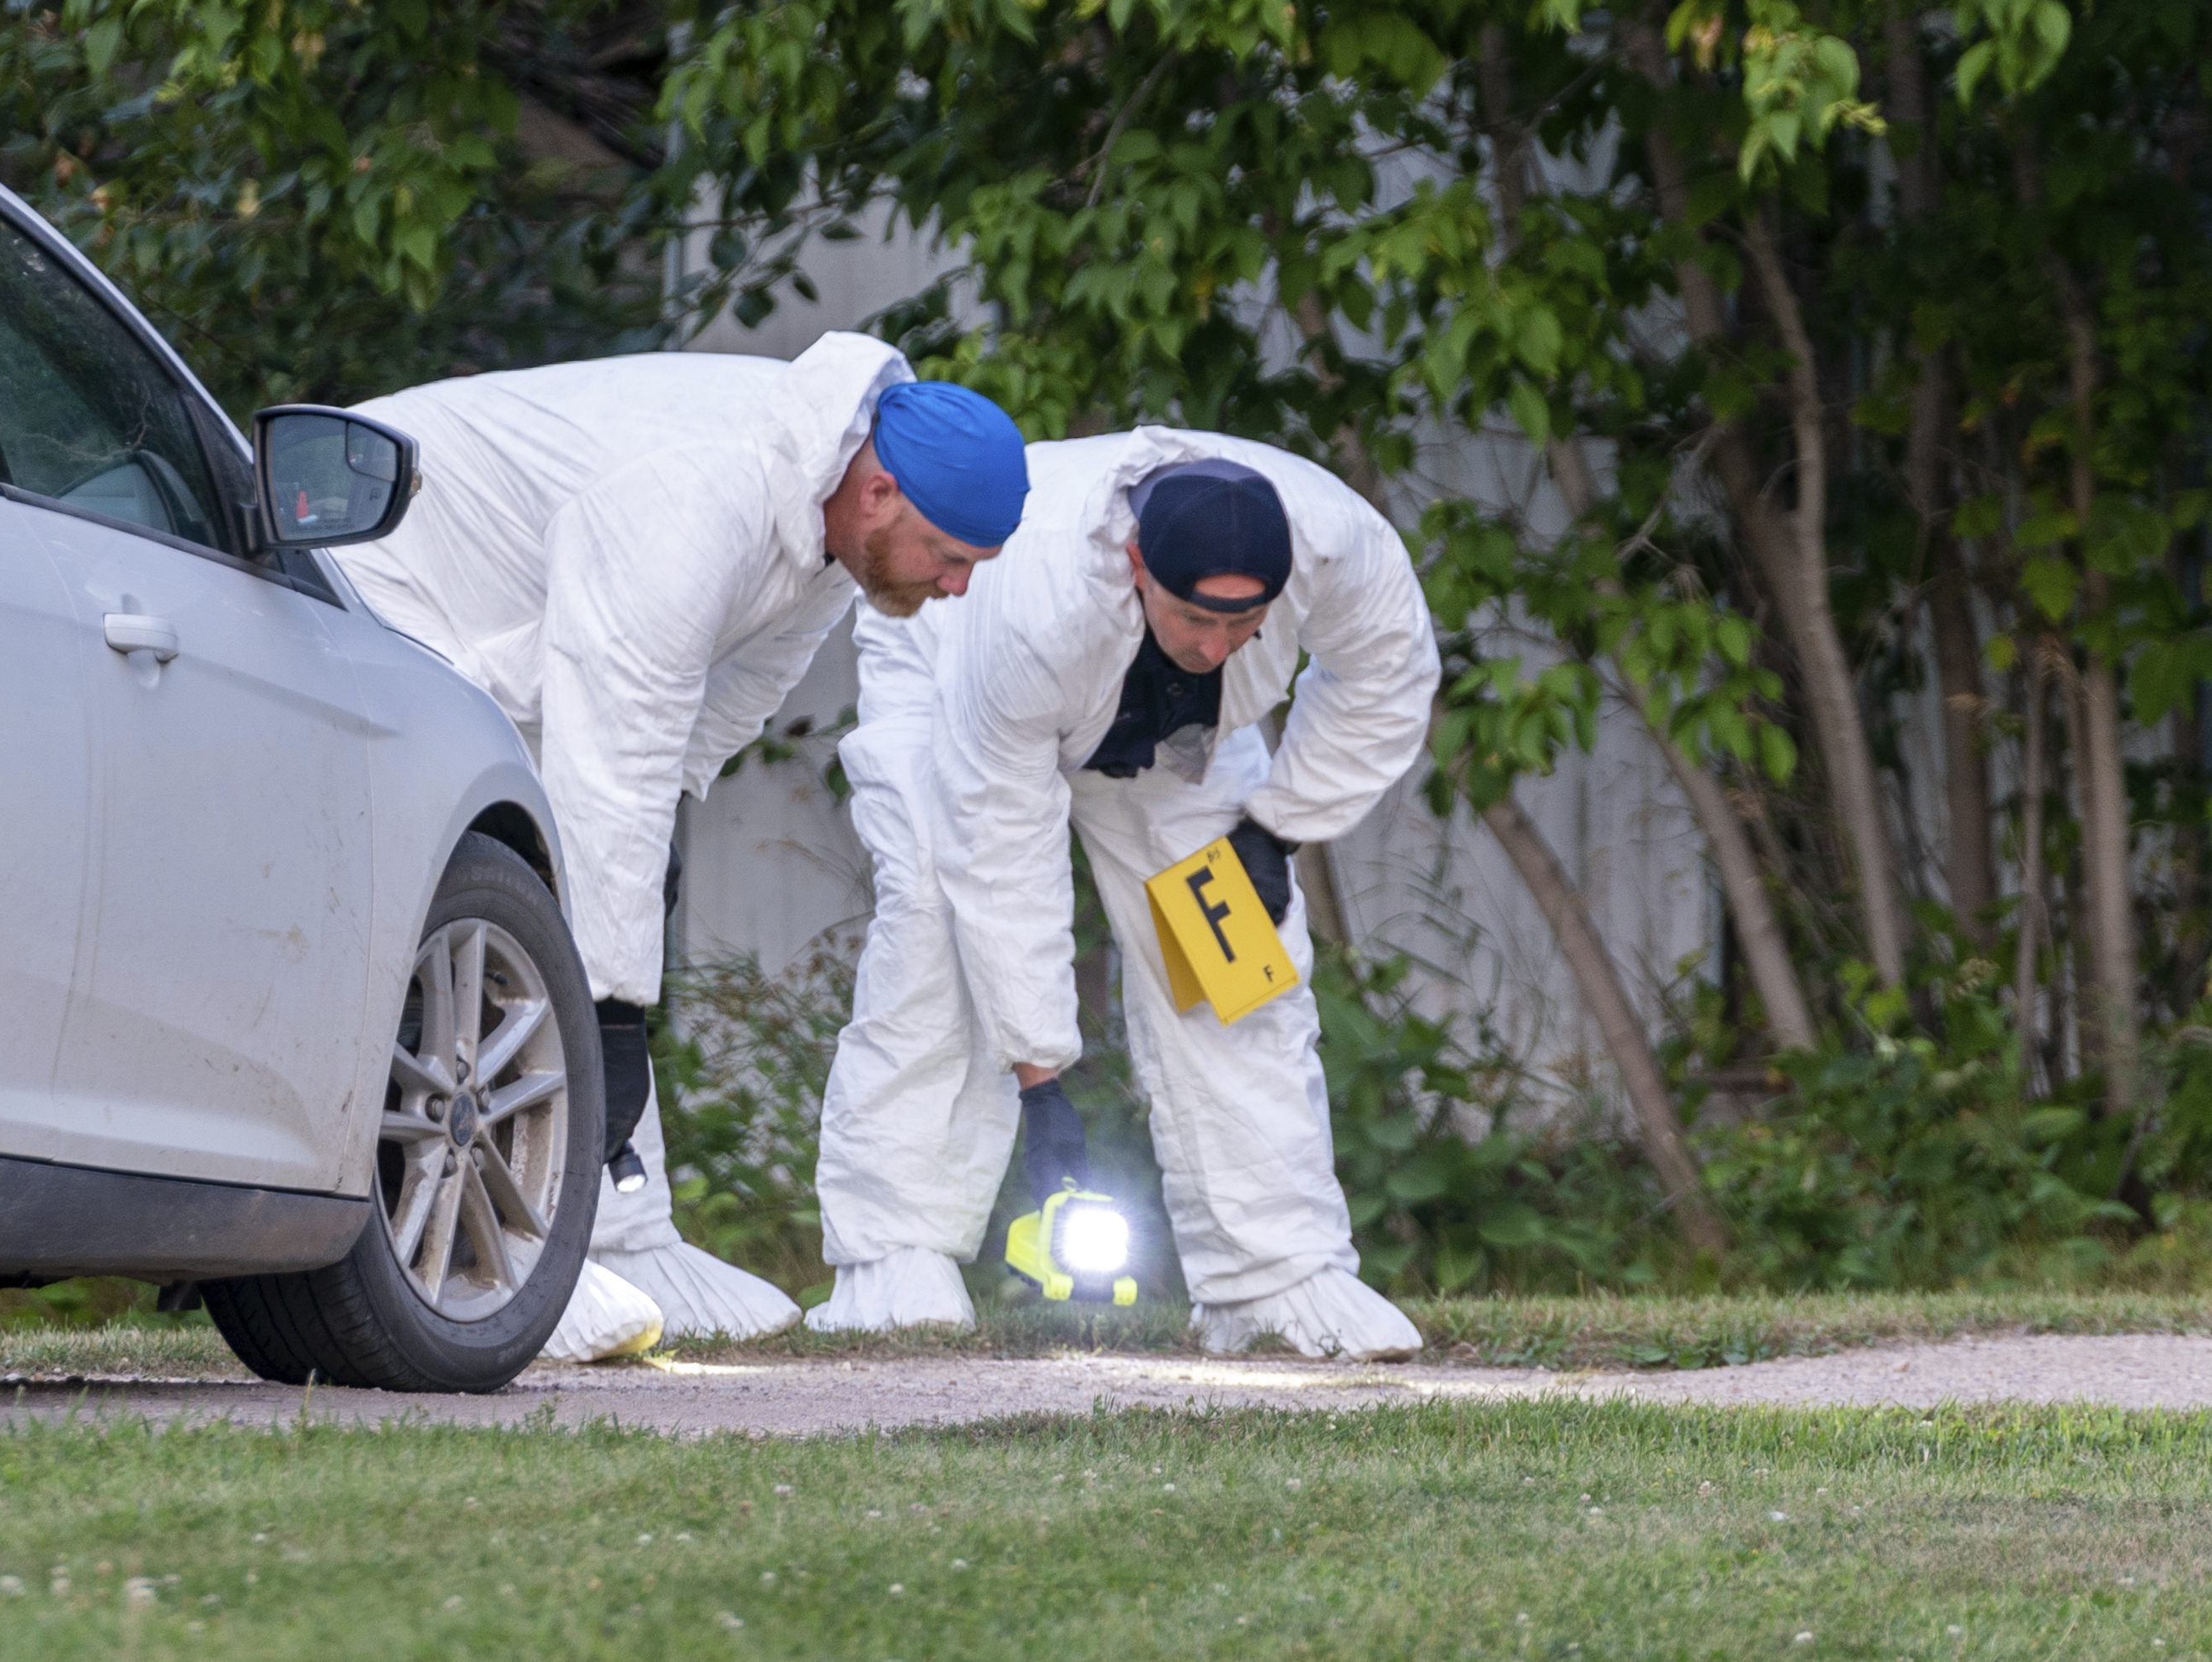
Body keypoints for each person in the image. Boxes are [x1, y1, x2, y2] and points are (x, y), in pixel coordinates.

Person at [336, 335, 1028, 1354]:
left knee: (599, 889)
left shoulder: (828, 539)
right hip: (382, 573)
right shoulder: (695, 499)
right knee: (509, 898)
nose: (957, 588)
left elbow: (717, 705)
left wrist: (642, 864)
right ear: (879, 492)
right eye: (952, 557)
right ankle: (512, 1257)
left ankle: (623, 1235)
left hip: (522, 636)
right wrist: (610, 1013)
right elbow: (611, 771)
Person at [807, 429, 1438, 1357]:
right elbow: (1001, 846)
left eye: (1243, 626)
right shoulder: (1035, 605)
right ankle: (892, 1260)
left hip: (1184, 744)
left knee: (1237, 976)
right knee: (937, 930)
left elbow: (1387, 678)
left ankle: (1272, 1275)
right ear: (1138, 563)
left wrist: (1277, 825)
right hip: (953, 675)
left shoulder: (1341, 548)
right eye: (1196, 619)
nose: (1216, 643)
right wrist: (1042, 1083)